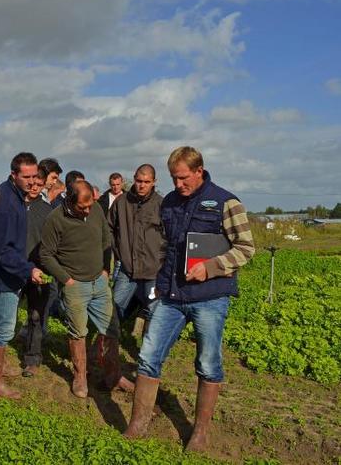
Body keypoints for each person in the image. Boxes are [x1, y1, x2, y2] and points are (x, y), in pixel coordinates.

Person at [124, 147, 255, 452]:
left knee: (208, 363)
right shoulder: (169, 202)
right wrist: (159, 282)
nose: (178, 184)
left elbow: (246, 248)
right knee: (148, 355)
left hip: (210, 297)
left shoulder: (226, 202)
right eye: (173, 178)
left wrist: (210, 267)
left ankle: (200, 433)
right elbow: (168, 246)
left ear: (199, 171)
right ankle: (138, 424)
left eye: (183, 178)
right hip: (171, 295)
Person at [40, 180, 133, 398]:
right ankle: (80, 376)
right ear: (70, 201)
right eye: (82, 207)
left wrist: (105, 270)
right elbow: (45, 254)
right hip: (75, 286)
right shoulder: (55, 220)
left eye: (90, 205)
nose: (88, 210)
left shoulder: (97, 209)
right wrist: (66, 279)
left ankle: (114, 375)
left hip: (99, 282)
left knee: (111, 329)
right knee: (78, 332)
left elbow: (105, 240)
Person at [0, 152, 43, 399]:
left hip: (9, 274)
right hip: (2, 276)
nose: (31, 181)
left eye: (34, 176)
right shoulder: (7, 203)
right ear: (13, 175)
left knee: (3, 327)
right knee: (2, 330)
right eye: (25, 176)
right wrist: (28, 269)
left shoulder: (15, 196)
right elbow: (4, 251)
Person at [108, 164, 165, 325]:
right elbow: (108, 228)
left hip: (153, 272)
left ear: (154, 182)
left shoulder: (161, 204)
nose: (142, 185)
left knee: (154, 312)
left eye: (146, 182)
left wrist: (161, 259)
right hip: (127, 270)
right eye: (139, 181)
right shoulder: (121, 202)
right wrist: (118, 250)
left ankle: (149, 349)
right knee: (113, 309)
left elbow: (169, 237)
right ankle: (108, 347)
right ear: (134, 179)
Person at [21, 167, 53, 377]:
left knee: (36, 315)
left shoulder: (48, 211)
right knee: (4, 314)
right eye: (30, 182)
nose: (34, 187)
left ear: (43, 185)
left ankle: (32, 358)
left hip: (38, 269)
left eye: (38, 184)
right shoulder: (14, 206)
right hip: (13, 268)